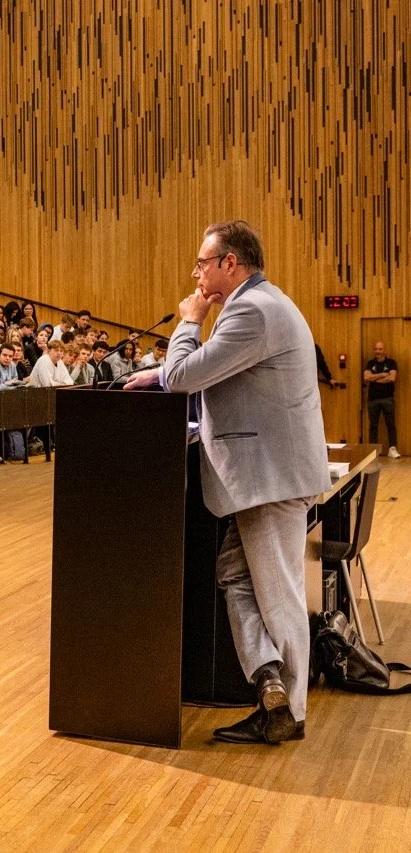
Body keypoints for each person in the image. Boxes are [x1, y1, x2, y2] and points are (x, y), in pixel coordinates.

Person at [125, 220, 329, 745]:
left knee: (278, 596)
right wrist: (159, 373)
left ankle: (293, 712)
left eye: (201, 263)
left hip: (268, 477)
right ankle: (269, 684)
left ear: (229, 264)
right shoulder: (262, 306)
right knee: (235, 578)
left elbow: (188, 375)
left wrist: (188, 323)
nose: (196, 273)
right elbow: (210, 371)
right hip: (264, 476)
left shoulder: (251, 311)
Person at [363, 341, 398, 457]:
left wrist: (375, 379)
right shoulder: (370, 363)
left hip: (388, 398)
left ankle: (392, 449)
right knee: (373, 425)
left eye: (380, 349)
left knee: (390, 424)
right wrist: (382, 375)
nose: (378, 351)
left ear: (384, 350)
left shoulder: (391, 363)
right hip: (373, 399)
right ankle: (373, 450)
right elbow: (366, 377)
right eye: (376, 349)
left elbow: (392, 378)